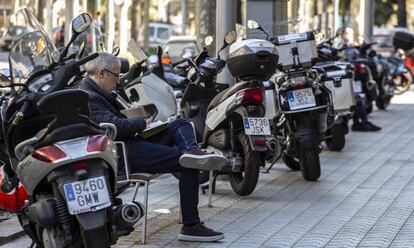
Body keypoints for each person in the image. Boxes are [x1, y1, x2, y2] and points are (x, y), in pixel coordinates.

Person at [79, 53, 226, 242]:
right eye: (116, 76)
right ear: (101, 73)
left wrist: (139, 121)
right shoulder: (88, 97)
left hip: (131, 143)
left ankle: (192, 151)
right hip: (123, 153)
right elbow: (115, 127)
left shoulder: (100, 93)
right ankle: (191, 225)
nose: (118, 81)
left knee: (179, 124)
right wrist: (140, 122)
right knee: (187, 164)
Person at [341, 27, 381, 132]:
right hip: (343, 78)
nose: (347, 35)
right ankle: (361, 122)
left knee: (358, 98)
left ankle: (360, 122)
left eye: (349, 33)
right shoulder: (338, 47)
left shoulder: (355, 47)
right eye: (345, 33)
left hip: (353, 77)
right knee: (356, 98)